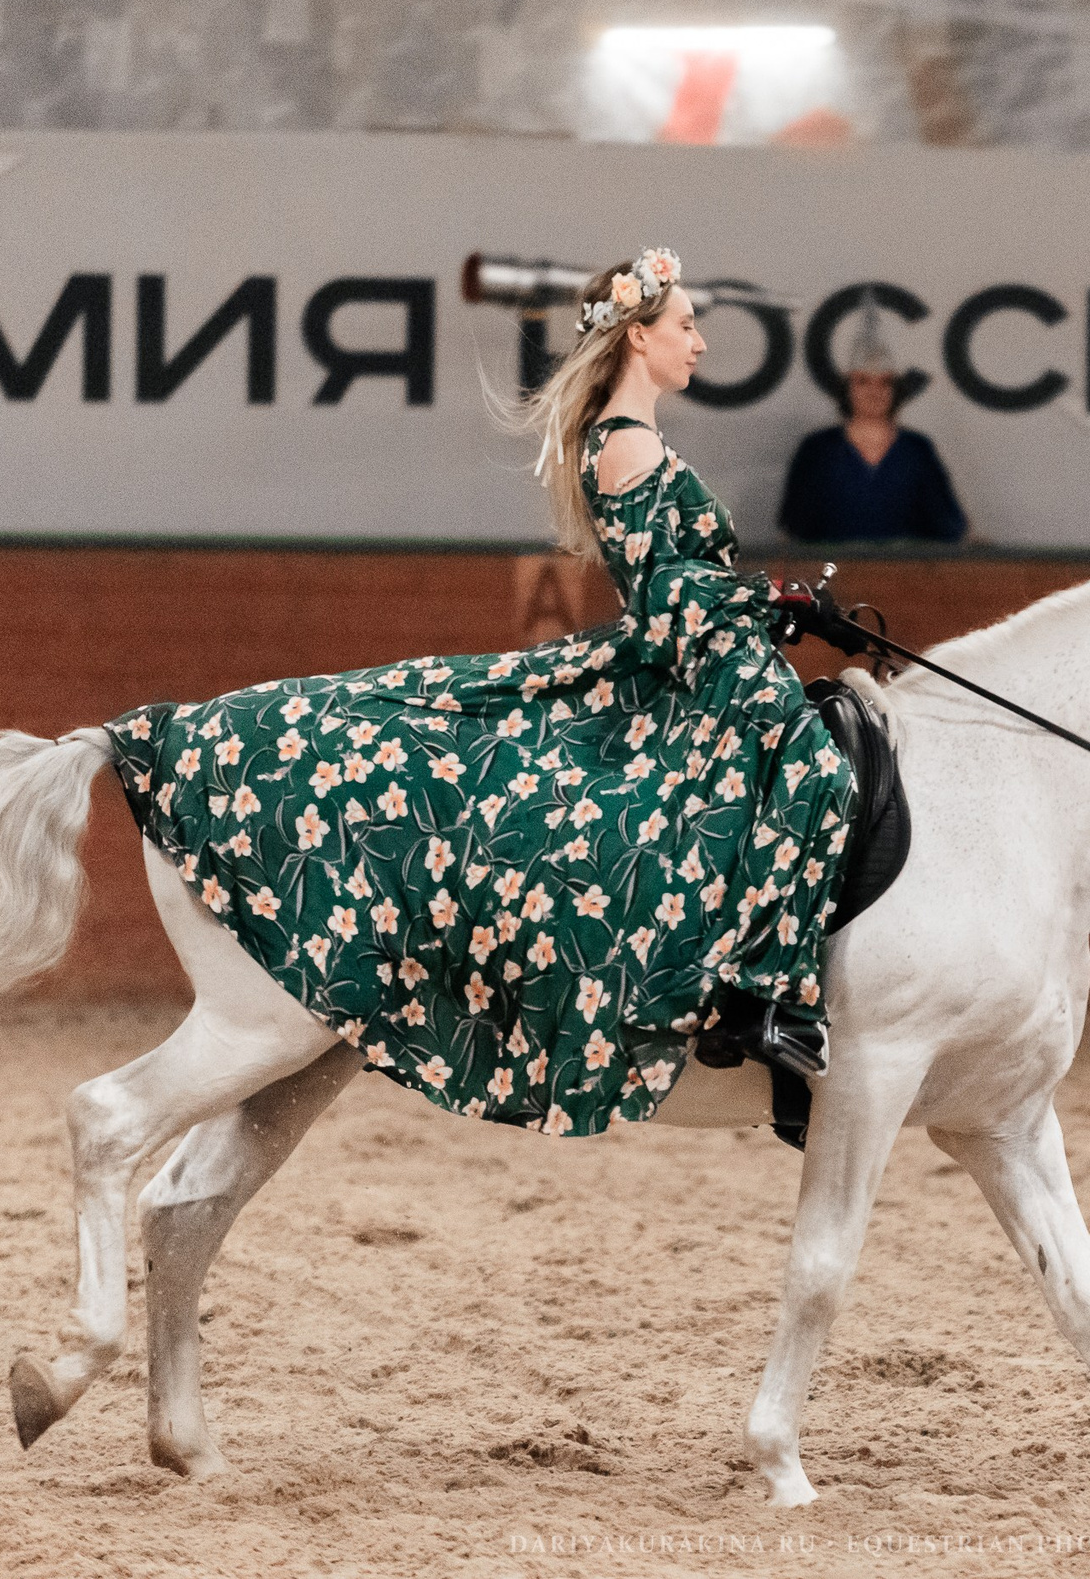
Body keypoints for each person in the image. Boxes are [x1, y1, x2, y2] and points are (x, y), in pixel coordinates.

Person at [103, 248, 856, 1139]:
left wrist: (770, 606)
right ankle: (760, 1003)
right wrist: (764, 597)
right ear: (639, 336)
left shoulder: (635, 439)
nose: (699, 339)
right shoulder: (629, 444)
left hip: (725, 659)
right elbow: (661, 598)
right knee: (820, 775)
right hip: (703, 671)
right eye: (685, 323)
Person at [777, 296, 968, 543]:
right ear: (847, 388)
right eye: (863, 382)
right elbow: (793, 532)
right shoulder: (817, 450)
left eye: (885, 383)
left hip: (906, 578)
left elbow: (949, 527)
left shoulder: (917, 450)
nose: (874, 392)